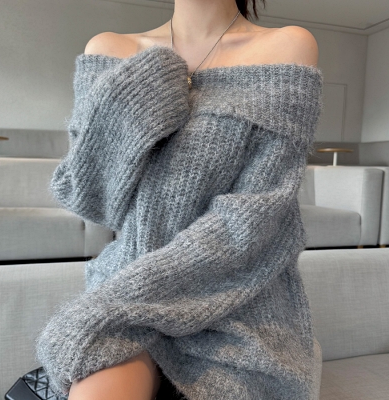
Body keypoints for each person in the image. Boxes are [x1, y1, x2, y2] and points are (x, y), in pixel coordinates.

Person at [35, 0, 323, 399]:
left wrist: (126, 299)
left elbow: (256, 216)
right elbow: (90, 200)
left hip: (235, 295)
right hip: (128, 282)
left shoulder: (288, 47)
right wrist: (134, 102)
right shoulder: (109, 50)